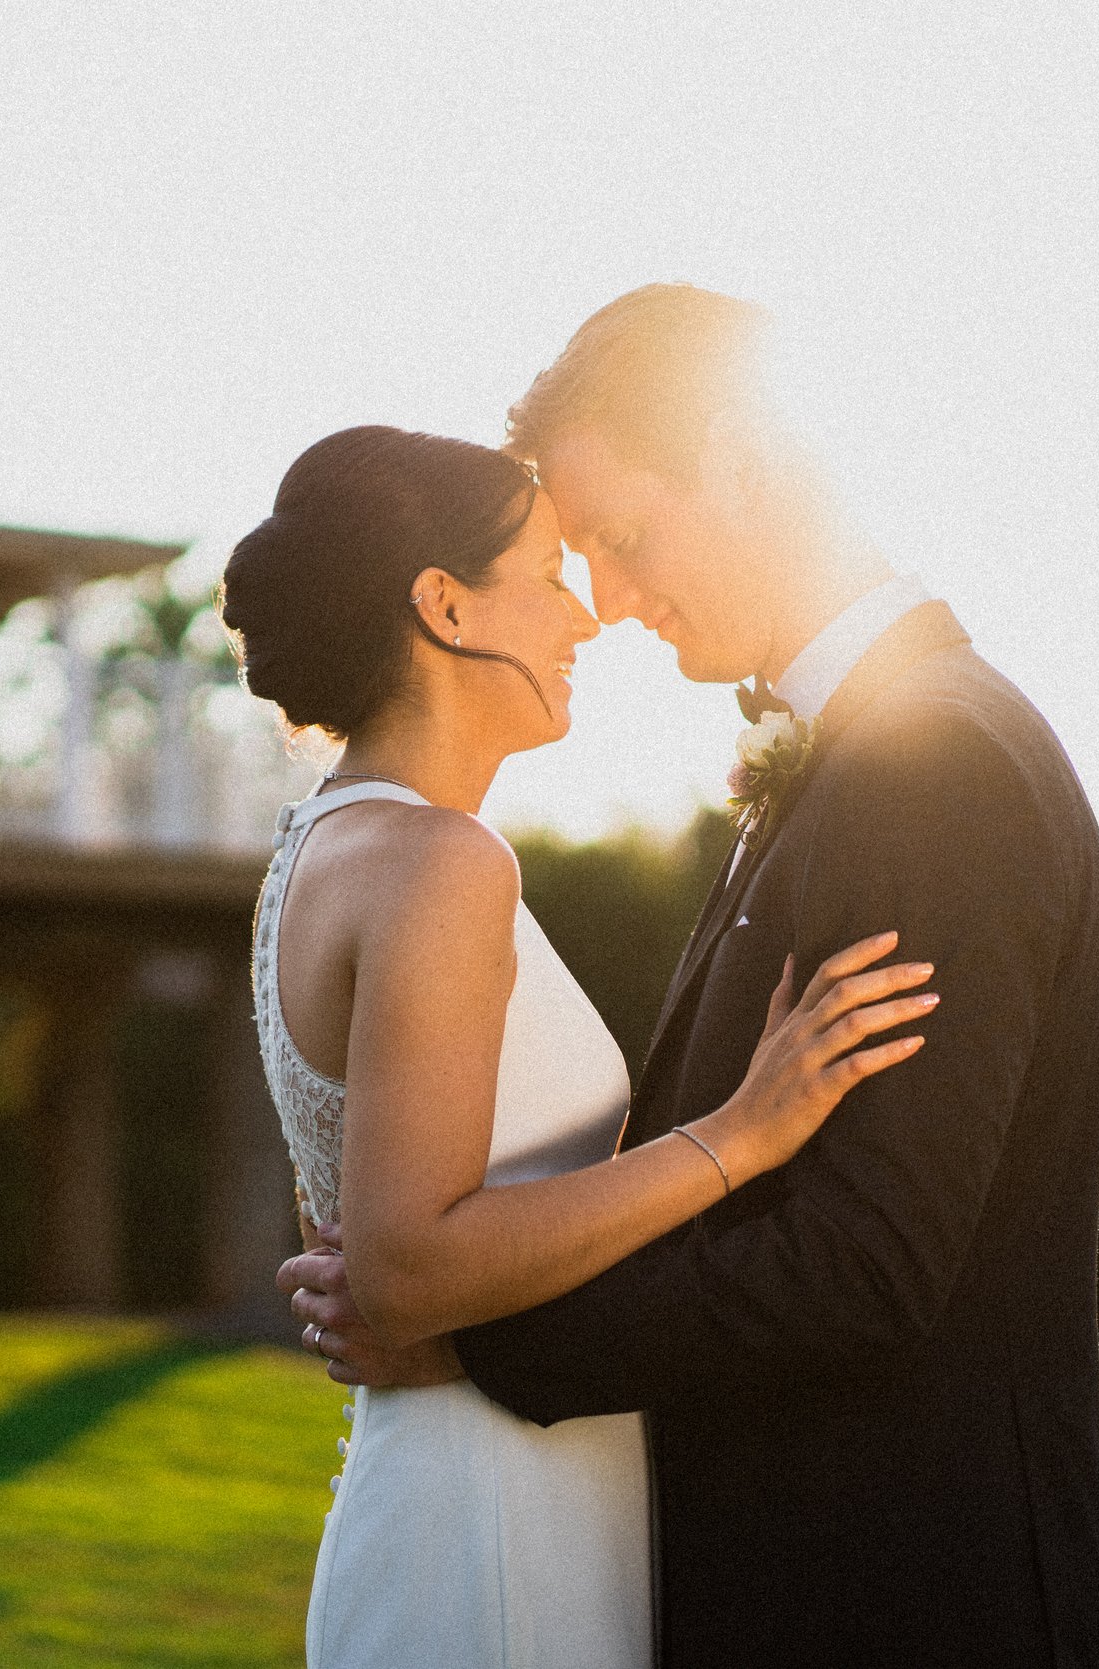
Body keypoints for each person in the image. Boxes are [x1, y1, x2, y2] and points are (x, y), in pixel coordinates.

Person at [279, 286, 1099, 1667]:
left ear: (741, 454)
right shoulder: (855, 754)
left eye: (617, 535)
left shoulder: (936, 766)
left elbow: (864, 1260)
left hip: (895, 1596)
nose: (605, 598)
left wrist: (481, 1343)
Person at [221, 423, 939, 1669]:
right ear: (444, 606)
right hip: (499, 1518)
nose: (586, 618)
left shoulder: (319, 850)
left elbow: (349, 1218)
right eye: (550, 575)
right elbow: (401, 1267)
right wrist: (739, 1136)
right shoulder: (441, 865)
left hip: (467, 1486)